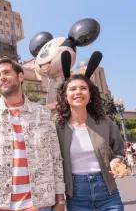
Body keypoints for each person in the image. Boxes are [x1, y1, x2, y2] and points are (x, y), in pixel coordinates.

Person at [0, 58, 65, 211]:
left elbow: (55, 157)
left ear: (20, 77)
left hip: (39, 204)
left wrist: (60, 200)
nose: (1, 77)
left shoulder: (42, 113)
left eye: (6, 72)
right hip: (0, 205)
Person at [55, 74, 124, 211]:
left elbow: (119, 152)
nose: (78, 92)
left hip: (108, 192)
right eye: (73, 89)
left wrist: (116, 161)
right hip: (76, 195)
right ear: (65, 97)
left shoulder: (106, 123)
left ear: (90, 95)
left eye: (83, 88)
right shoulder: (57, 127)